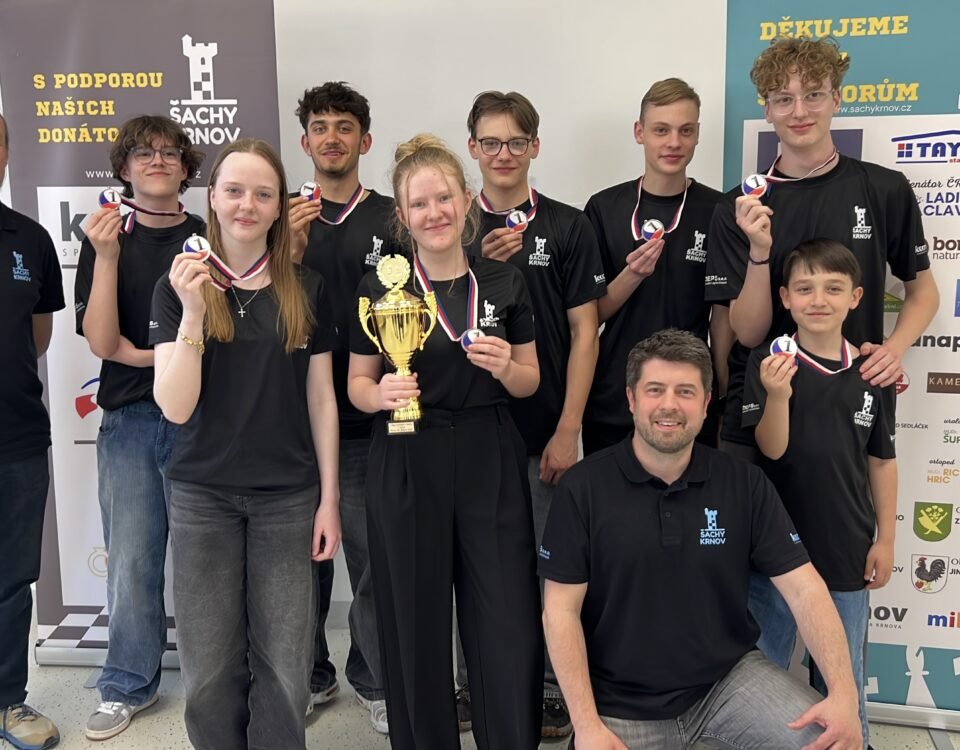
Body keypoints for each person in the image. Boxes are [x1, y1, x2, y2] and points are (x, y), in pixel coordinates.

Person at [539, 329, 863, 750]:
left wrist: (844, 695)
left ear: (707, 403)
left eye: (686, 392)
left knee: (833, 741)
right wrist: (586, 725)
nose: (669, 405)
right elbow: (560, 612)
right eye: (655, 390)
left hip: (728, 683)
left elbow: (805, 590)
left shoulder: (744, 483)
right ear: (631, 398)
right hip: (621, 701)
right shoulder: (583, 487)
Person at [348, 134, 543, 750]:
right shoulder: (382, 286)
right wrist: (379, 394)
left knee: (506, 617)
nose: (434, 213)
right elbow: (356, 384)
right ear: (402, 216)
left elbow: (531, 380)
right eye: (419, 203)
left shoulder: (504, 282)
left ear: (466, 200)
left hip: (489, 452)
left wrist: (506, 367)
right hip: (408, 452)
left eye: (444, 198)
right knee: (414, 618)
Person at [150, 138, 340, 750]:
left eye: (263, 194)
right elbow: (175, 407)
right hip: (202, 496)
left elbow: (321, 400)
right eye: (234, 191)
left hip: (287, 497)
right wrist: (192, 313)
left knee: (285, 665)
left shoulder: (306, 287)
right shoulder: (178, 285)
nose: (247, 205)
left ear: (280, 207)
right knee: (208, 666)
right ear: (212, 197)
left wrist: (330, 500)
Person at [705, 36, 939, 462]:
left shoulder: (884, 189)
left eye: (813, 94)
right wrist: (759, 252)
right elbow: (750, 334)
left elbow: (923, 291)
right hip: (760, 402)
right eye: (783, 99)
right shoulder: (738, 206)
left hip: (850, 402)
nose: (799, 112)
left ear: (836, 99)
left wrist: (894, 350)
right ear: (767, 109)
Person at [459, 89, 606, 738]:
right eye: (491, 142)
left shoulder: (569, 226)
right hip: (469, 431)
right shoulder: (448, 224)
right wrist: (473, 266)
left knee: (553, 568)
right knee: (473, 566)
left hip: (545, 431)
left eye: (516, 142)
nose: (504, 154)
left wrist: (569, 429)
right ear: (472, 148)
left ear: (535, 147)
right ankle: (470, 684)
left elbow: (585, 332)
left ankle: (550, 689)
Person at [75, 114, 204, 741]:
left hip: (201, 417)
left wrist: (151, 354)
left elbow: (219, 334)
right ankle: (127, 683)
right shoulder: (106, 236)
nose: (158, 160)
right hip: (129, 417)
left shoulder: (206, 237)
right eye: (144, 153)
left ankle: (216, 681)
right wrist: (105, 257)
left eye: (170, 152)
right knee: (130, 559)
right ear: (123, 168)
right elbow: (103, 343)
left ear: (186, 168)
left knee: (207, 559)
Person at [743, 240, 897, 750]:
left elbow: (882, 460)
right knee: (761, 666)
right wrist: (778, 395)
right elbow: (772, 448)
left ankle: (855, 741)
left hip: (847, 547)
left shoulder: (873, 373)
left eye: (833, 288)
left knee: (842, 671)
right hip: (773, 550)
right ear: (785, 297)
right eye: (805, 289)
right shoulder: (770, 362)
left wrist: (886, 540)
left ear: (855, 297)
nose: (818, 300)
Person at [287, 82, 395, 732]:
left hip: (368, 421)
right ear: (305, 142)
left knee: (373, 559)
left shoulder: (392, 218)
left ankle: (374, 678)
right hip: (290, 424)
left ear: (365, 140)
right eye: (321, 127)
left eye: (344, 127)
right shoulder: (279, 217)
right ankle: (308, 675)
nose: (332, 137)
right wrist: (289, 256)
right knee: (298, 563)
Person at [583, 78, 729, 456]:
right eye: (661, 130)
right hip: (613, 397)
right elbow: (589, 316)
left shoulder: (719, 210)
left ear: (698, 135)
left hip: (686, 401)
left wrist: (723, 397)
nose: (674, 142)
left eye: (685, 131)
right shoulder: (603, 208)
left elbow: (722, 317)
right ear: (639, 132)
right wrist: (631, 275)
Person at [0, 111, 65, 750]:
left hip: (15, 437)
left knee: (12, 579)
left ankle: (7, 703)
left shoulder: (31, 239)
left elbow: (36, 337)